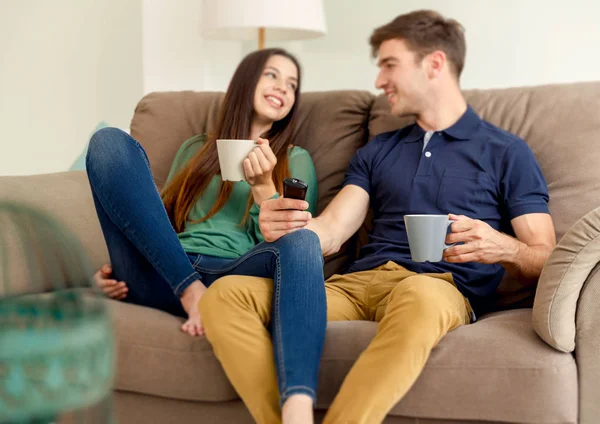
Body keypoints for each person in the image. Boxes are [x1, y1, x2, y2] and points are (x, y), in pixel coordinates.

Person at [198, 10, 557, 424]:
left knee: (420, 296)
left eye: (389, 64)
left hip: (438, 286)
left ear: (434, 64)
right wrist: (281, 217)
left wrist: (504, 247)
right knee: (226, 295)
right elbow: (331, 232)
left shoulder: (506, 152)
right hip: (355, 286)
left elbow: (546, 257)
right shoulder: (378, 151)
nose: (379, 81)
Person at [86, 48, 326, 409]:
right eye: (272, 75)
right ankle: (191, 292)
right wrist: (109, 270)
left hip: (233, 275)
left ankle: (297, 410)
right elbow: (159, 221)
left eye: (293, 85)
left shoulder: (295, 159)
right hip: (169, 271)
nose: (284, 89)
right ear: (246, 80)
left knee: (304, 241)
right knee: (107, 143)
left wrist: (264, 187)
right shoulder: (196, 148)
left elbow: (292, 247)